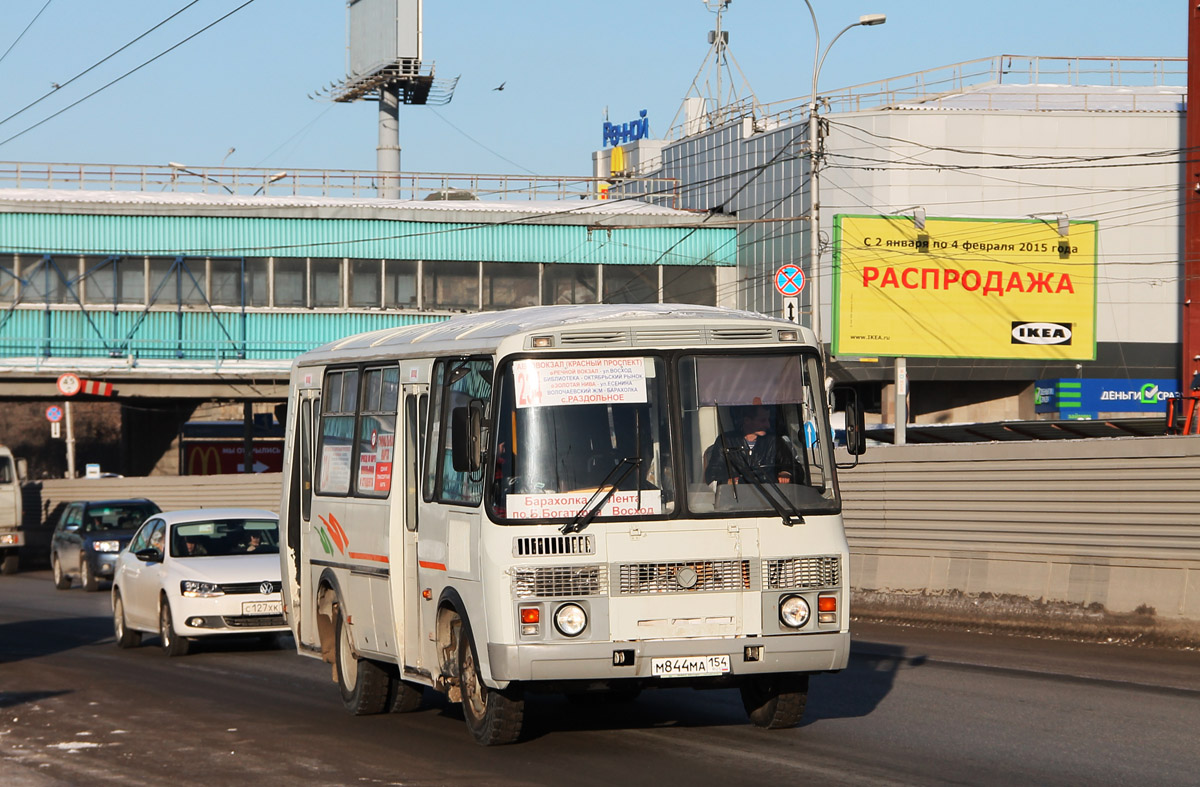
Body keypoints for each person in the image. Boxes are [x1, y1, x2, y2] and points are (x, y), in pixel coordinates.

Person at [703, 405, 795, 486]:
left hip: (772, 499)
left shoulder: (774, 441)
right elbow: (712, 475)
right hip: (736, 500)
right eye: (762, 420)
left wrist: (786, 473)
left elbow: (794, 467)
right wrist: (731, 482)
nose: (768, 425)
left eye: (768, 420)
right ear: (747, 421)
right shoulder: (725, 441)